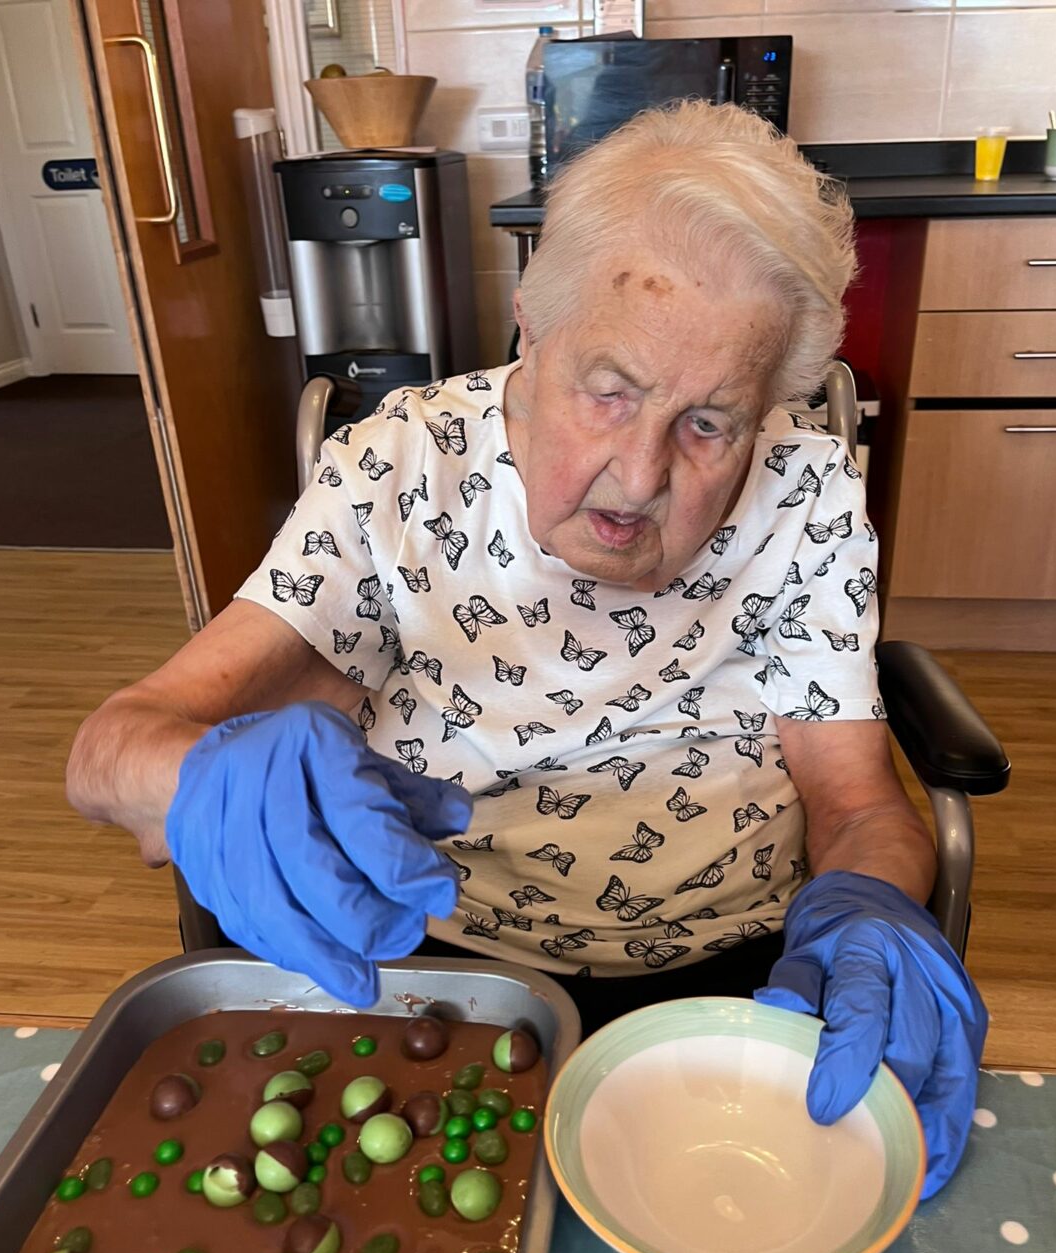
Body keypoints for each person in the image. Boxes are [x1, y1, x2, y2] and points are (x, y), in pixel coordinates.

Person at [67, 103, 986, 1197]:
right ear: (530, 331)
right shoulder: (404, 468)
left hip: (740, 980)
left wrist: (873, 908)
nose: (639, 477)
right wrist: (198, 777)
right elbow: (108, 754)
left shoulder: (807, 493)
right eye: (609, 392)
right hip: (437, 969)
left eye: (711, 423)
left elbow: (857, 804)